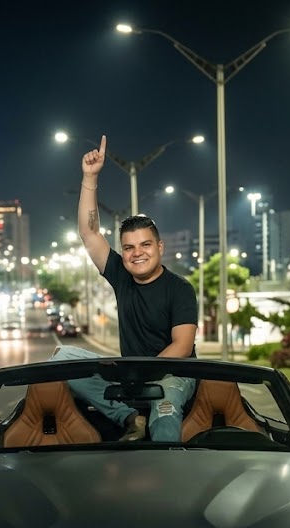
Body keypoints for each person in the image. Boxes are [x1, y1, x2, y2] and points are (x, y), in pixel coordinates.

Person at [50, 135, 199, 442]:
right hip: (131, 372)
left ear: (160, 247)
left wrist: (139, 373)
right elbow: (88, 232)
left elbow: (182, 347)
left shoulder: (180, 288)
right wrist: (90, 178)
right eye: (128, 247)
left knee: (166, 400)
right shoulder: (120, 274)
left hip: (174, 374)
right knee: (63, 357)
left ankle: (166, 466)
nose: (137, 253)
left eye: (145, 244)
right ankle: (131, 418)